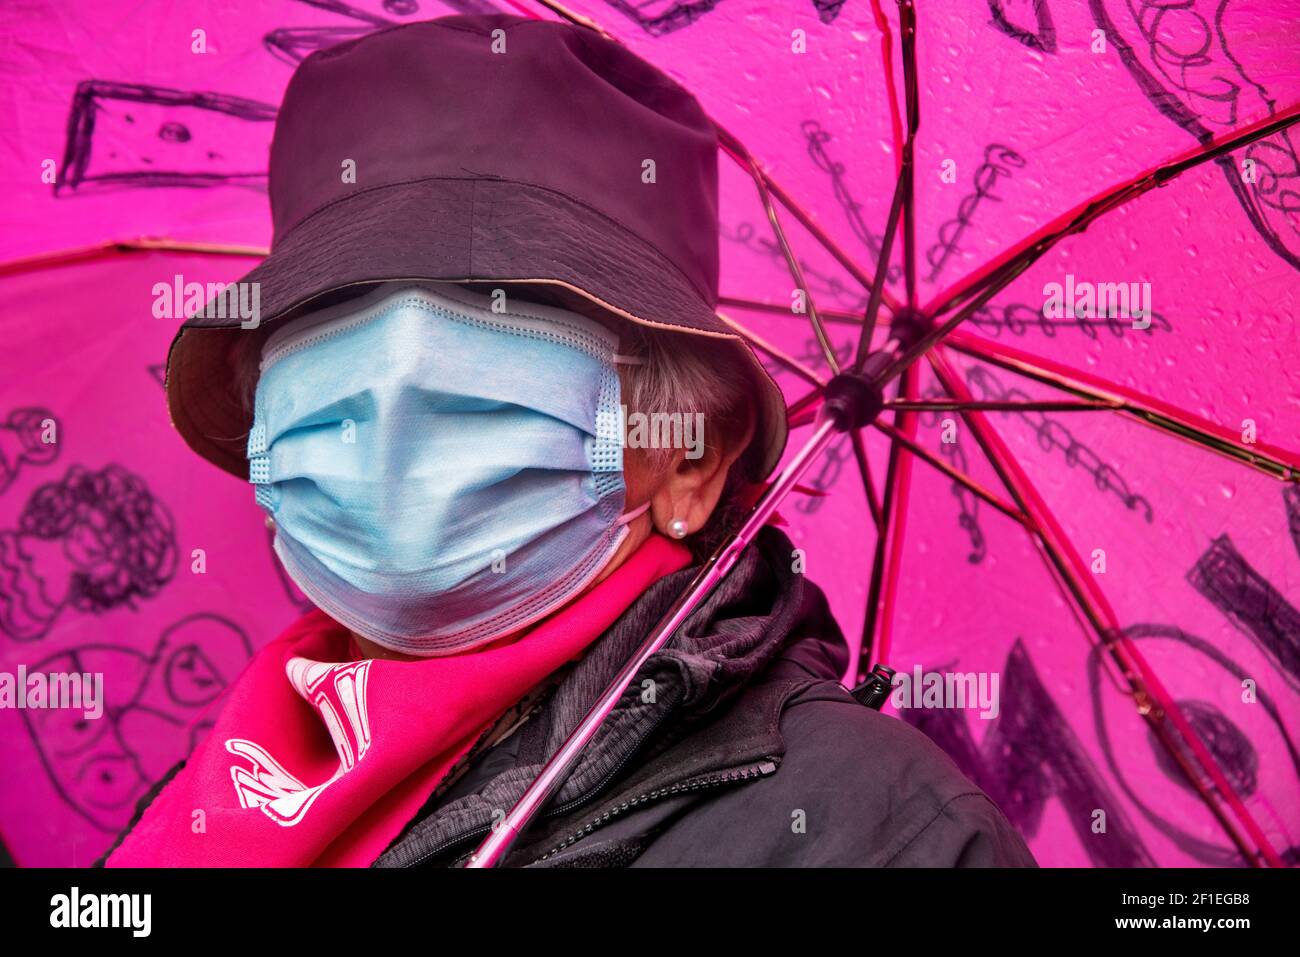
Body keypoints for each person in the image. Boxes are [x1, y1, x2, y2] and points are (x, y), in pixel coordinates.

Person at [98, 13, 1036, 868]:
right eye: (331, 308)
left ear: (691, 457)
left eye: (500, 312)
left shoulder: (889, 838)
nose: (389, 394)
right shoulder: (215, 784)